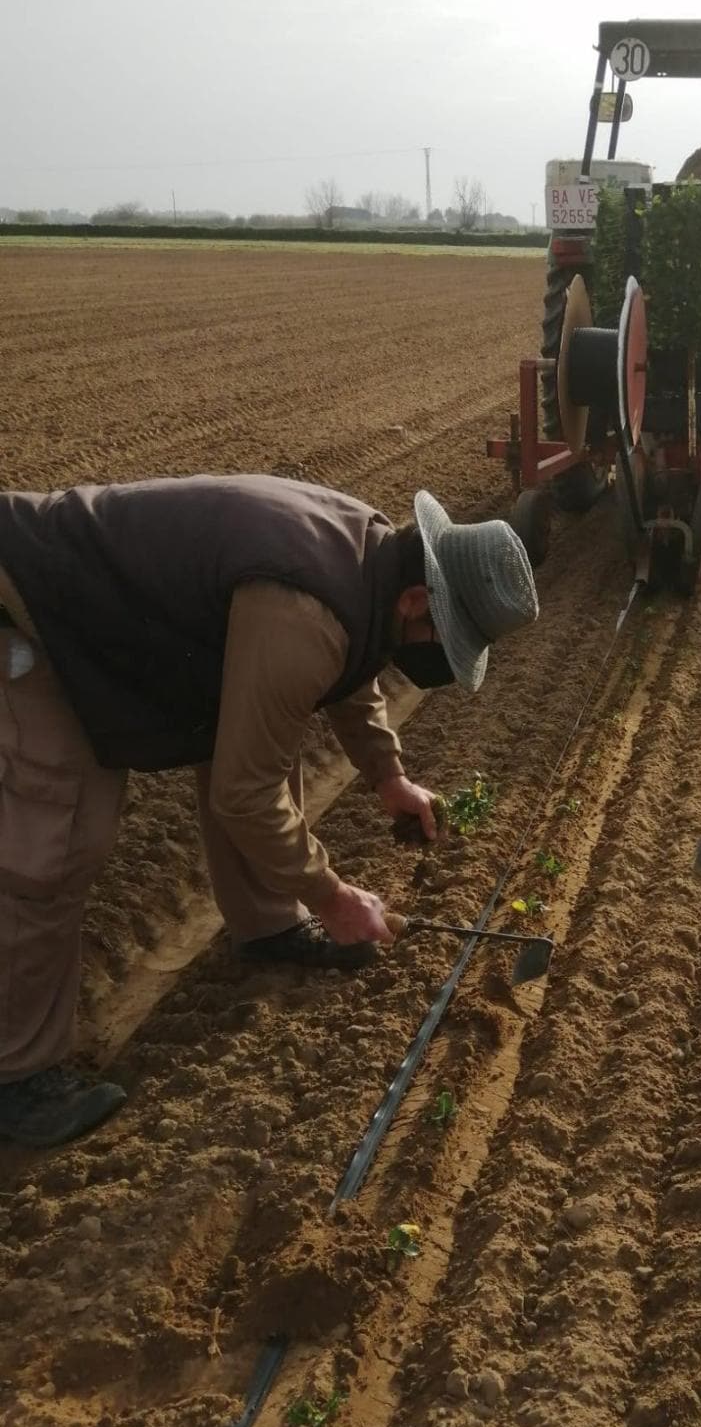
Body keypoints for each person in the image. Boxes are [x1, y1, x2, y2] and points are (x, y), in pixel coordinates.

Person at [0, 474, 538, 1147]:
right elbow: (243, 794)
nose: (439, 655)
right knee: (59, 836)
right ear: (415, 598)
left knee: (265, 736)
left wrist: (387, 775)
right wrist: (334, 896)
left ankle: (267, 923)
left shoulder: (370, 559)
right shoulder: (304, 611)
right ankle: (15, 1076)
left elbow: (350, 667)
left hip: (122, 615)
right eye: (445, 636)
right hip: (37, 611)